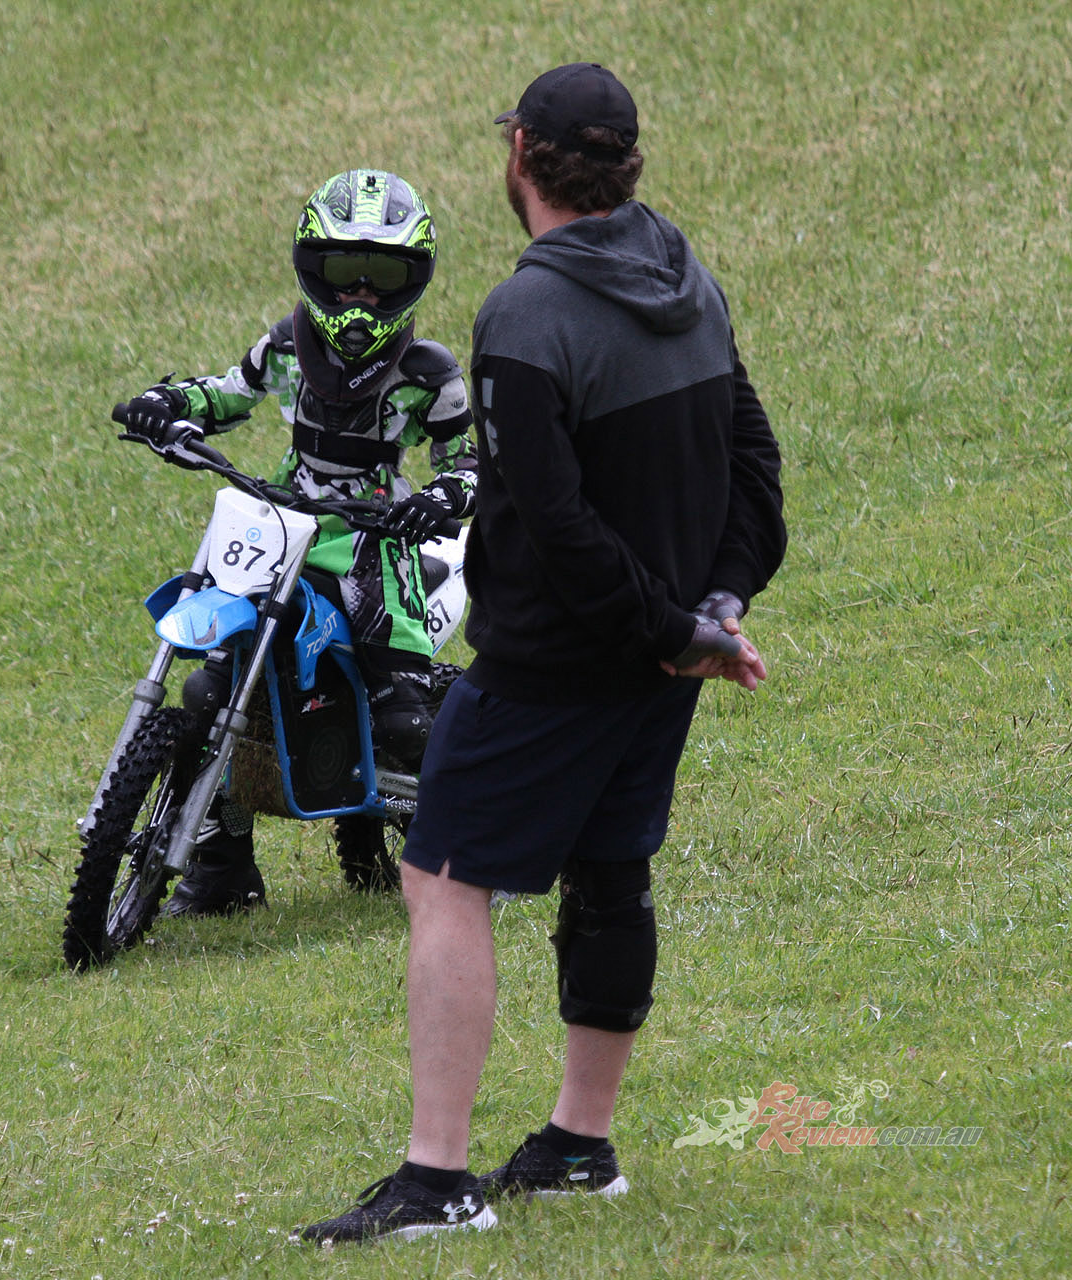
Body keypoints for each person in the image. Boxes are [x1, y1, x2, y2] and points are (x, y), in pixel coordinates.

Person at [299, 63, 787, 1245]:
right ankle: (577, 1145)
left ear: (521, 153)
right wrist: (707, 613)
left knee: (444, 876)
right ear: (628, 159)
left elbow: (556, 526)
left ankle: (436, 1179)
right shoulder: (687, 272)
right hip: (661, 662)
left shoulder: (526, 318)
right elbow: (756, 467)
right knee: (610, 866)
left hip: (555, 663)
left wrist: (676, 628)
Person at [117, 169, 478, 918]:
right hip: (279, 522)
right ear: (315, 269)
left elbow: (472, 460)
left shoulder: (430, 373)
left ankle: (476, 852)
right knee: (213, 687)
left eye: (383, 277)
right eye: (346, 273)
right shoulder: (285, 346)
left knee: (402, 713)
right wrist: (166, 404)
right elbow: (227, 392)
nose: (361, 297)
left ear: (414, 280)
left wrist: (443, 496)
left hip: (375, 537)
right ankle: (221, 870)